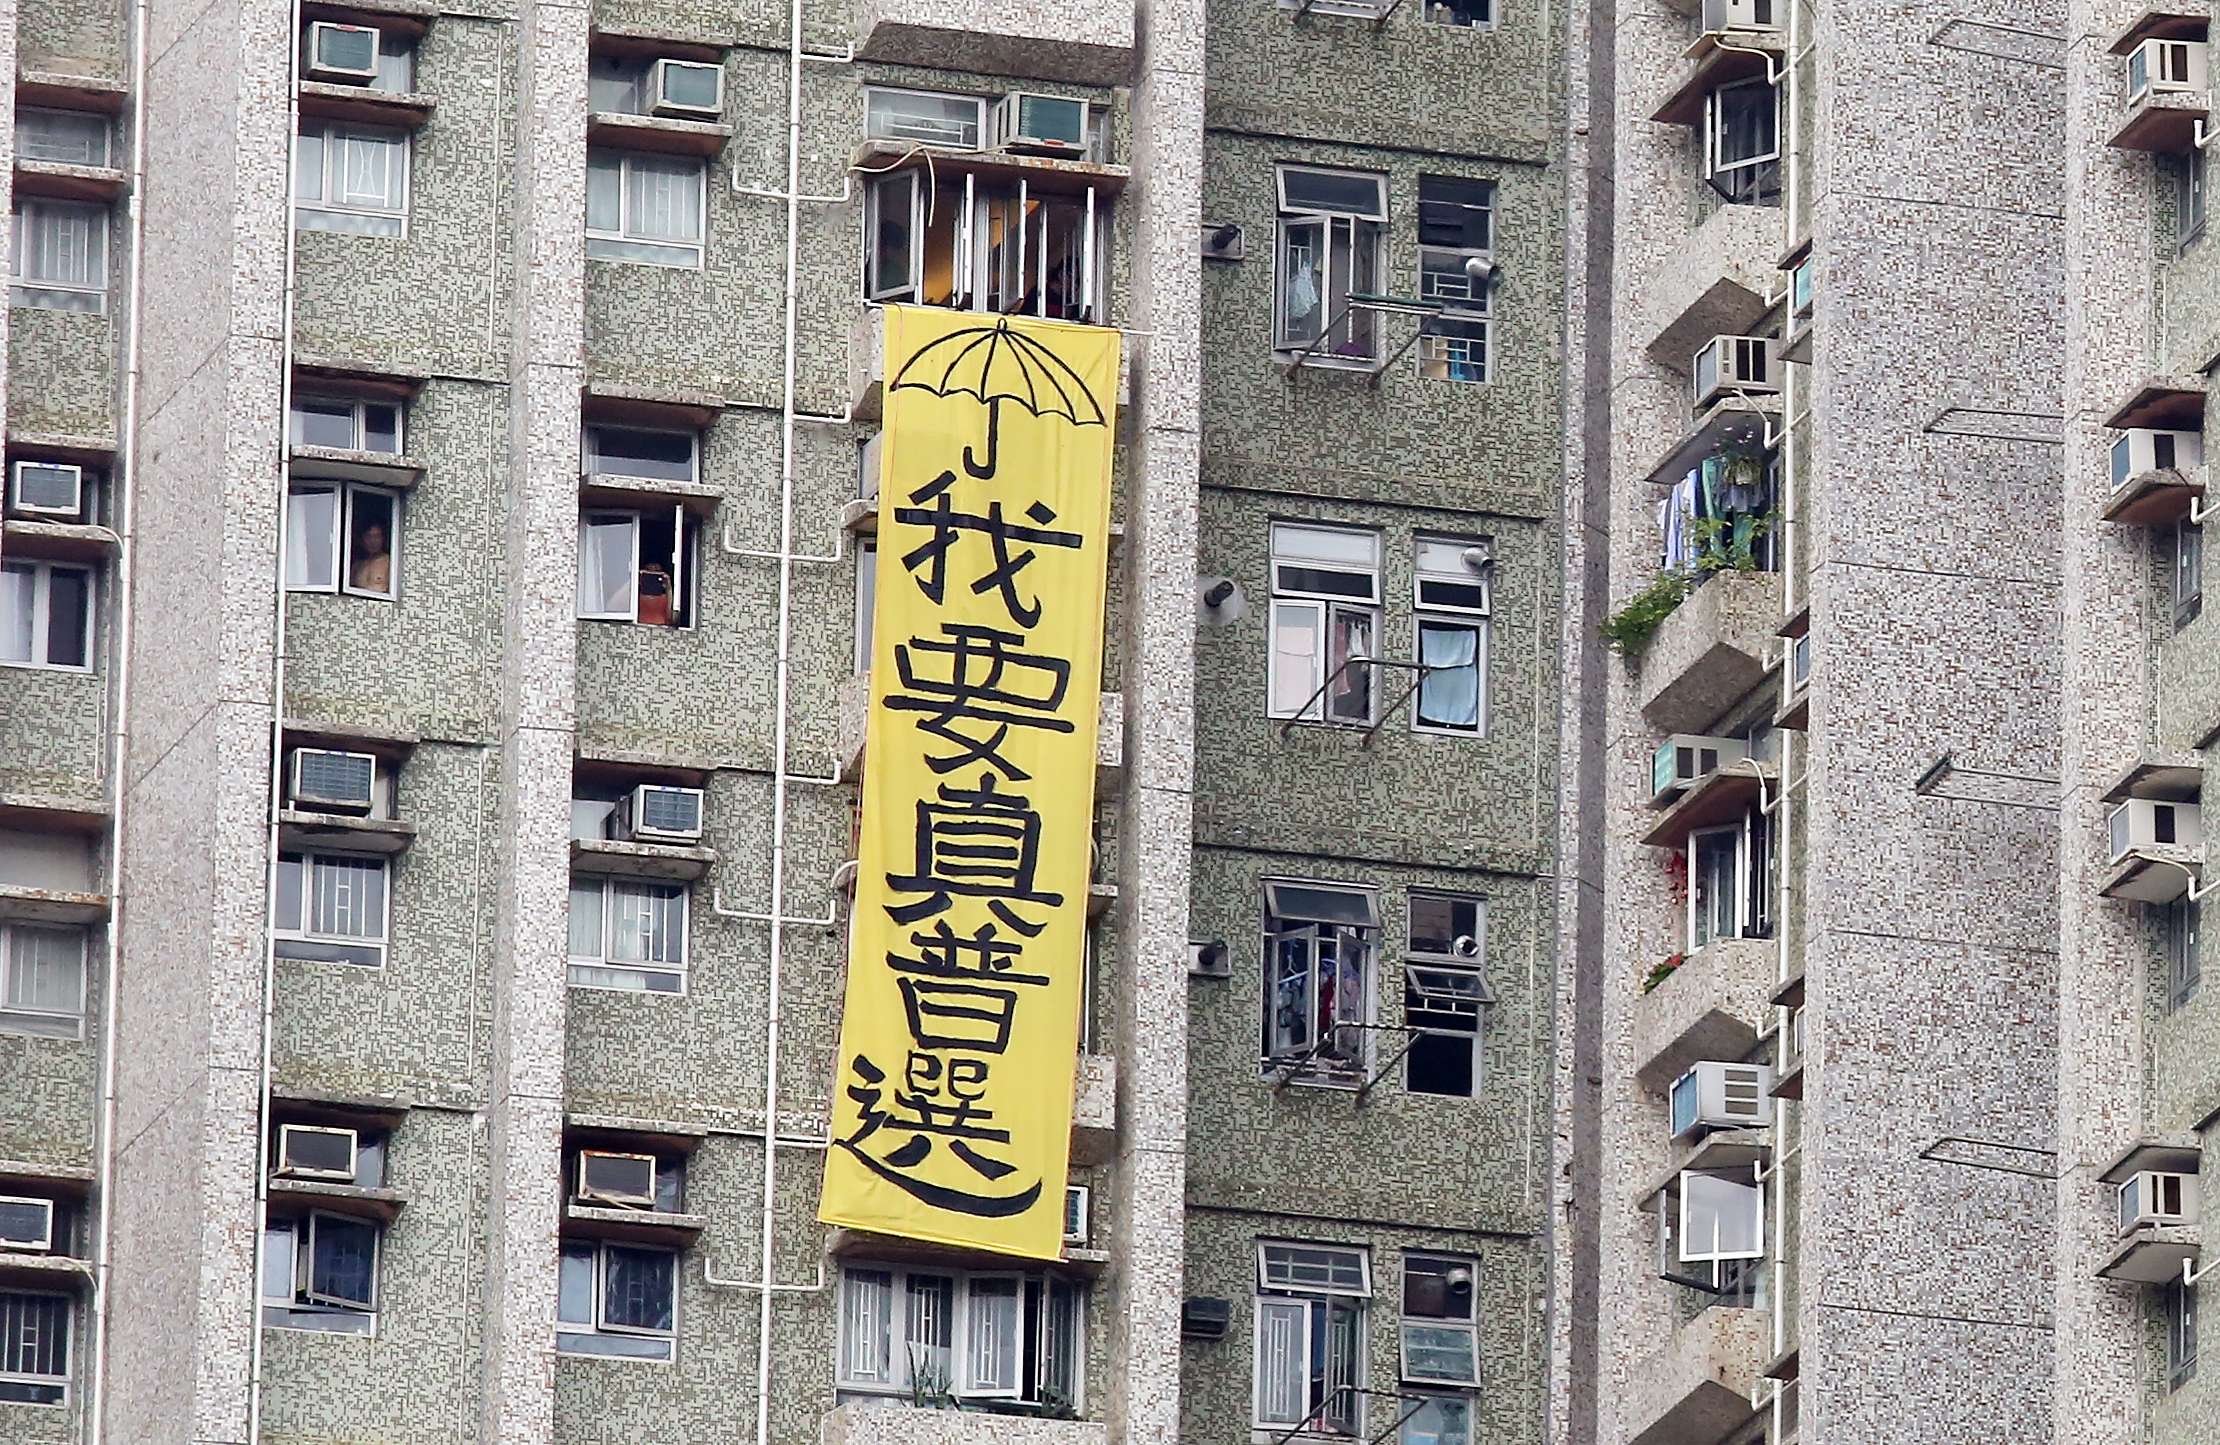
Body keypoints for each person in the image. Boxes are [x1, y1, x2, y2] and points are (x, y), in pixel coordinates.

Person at [350, 522, 392, 595]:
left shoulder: (389, 562)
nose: (373, 541)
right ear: (362, 539)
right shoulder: (357, 565)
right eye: (368, 536)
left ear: (383, 538)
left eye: (377, 536)